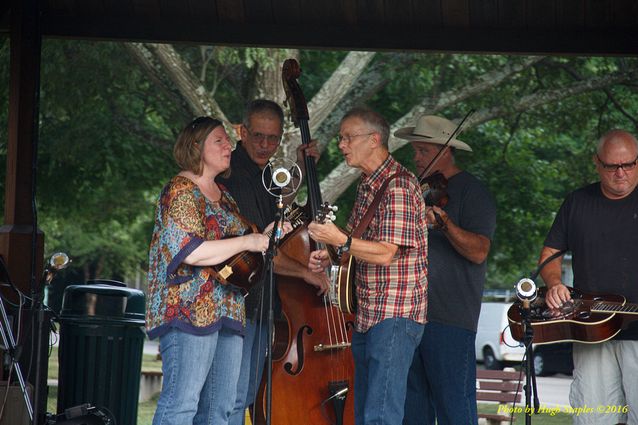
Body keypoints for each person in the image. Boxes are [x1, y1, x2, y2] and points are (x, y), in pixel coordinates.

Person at [145, 116, 283, 425]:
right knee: (182, 404)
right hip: (188, 311)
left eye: (227, 140)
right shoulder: (180, 189)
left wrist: (267, 235)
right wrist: (250, 239)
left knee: (219, 410)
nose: (229, 146)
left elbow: (237, 252)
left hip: (228, 310)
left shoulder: (226, 198)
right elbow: (192, 251)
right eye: (219, 140)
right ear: (196, 147)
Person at [307, 107, 428, 425]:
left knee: (380, 416)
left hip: (394, 314)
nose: (341, 145)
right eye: (340, 138)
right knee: (364, 414)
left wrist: (340, 240)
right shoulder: (368, 184)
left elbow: (386, 252)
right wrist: (332, 254)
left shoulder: (398, 187)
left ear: (374, 140)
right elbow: (357, 246)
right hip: (368, 314)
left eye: (348, 137)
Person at [216, 99, 329, 425]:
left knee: (248, 394)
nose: (265, 145)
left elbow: (276, 211)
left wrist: (298, 166)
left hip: (266, 303)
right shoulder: (230, 176)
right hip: (239, 303)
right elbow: (262, 248)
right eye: (258, 136)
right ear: (242, 132)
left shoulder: (264, 173)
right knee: (234, 398)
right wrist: (304, 273)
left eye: (273, 138)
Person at [398, 115, 496, 425]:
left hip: (450, 318)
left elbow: (479, 251)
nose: (416, 158)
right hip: (410, 314)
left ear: (445, 150)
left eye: (423, 151)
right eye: (415, 151)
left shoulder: (472, 192)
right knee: (413, 411)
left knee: (455, 407)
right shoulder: (415, 190)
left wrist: (444, 222)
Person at [539, 129, 638, 425]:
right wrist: (554, 284)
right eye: (612, 166)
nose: (621, 173)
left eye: (629, 164)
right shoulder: (577, 202)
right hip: (590, 330)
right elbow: (549, 256)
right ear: (596, 163)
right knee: (593, 416)